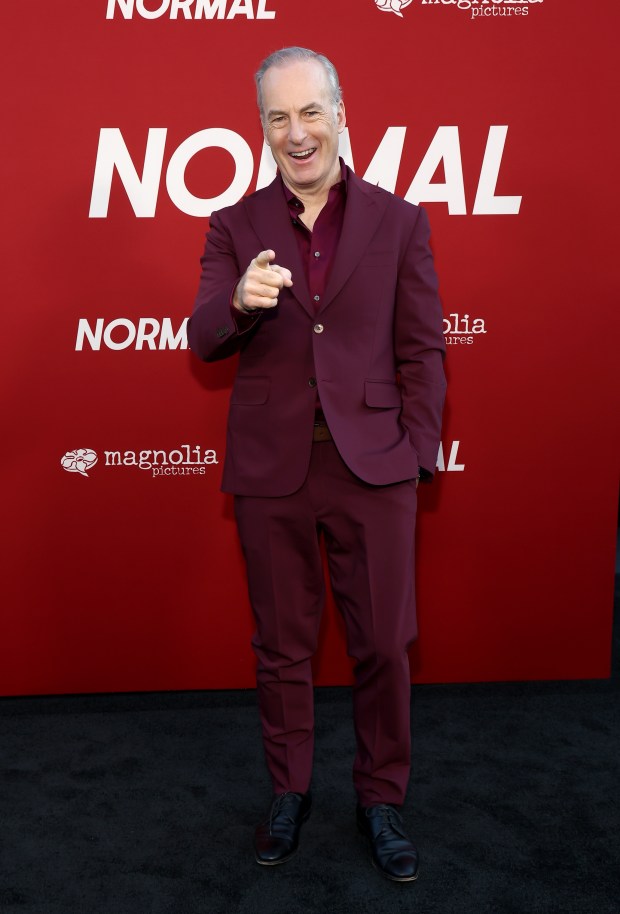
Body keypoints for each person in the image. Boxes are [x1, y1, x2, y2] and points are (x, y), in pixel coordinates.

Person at [188, 46, 446, 883]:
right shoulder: (234, 226)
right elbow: (202, 336)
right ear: (262, 127)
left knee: (385, 646)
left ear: (339, 113)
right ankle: (289, 792)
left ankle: (381, 799)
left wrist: (414, 453)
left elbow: (424, 349)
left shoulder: (400, 222)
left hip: (375, 470)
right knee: (281, 649)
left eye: (309, 112)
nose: (295, 132)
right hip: (272, 473)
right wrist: (239, 302)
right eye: (277, 117)